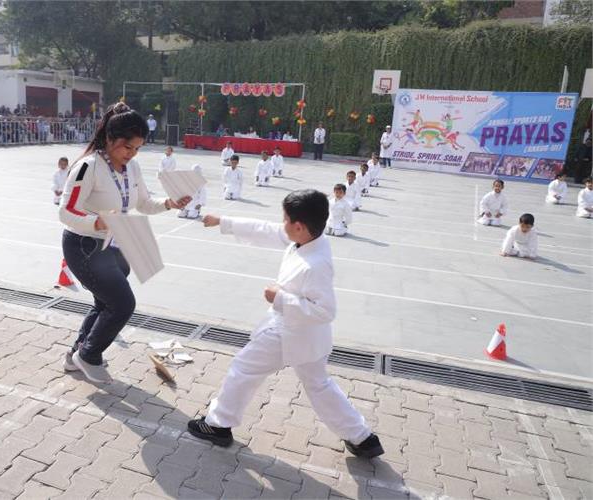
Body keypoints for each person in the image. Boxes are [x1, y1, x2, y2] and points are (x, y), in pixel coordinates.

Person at [187, 189, 384, 458]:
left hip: (288, 333)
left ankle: (218, 424)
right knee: (319, 386)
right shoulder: (310, 240)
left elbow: (325, 311)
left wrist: (279, 298)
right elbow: (266, 230)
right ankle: (363, 439)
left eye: (285, 220)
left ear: (299, 226)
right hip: (308, 338)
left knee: (243, 369)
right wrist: (224, 222)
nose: (282, 224)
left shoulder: (315, 264)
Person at [58, 103, 190, 380]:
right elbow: (66, 211)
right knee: (122, 304)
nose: (131, 154)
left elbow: (143, 203)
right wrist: (97, 221)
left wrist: (169, 202)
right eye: (127, 147)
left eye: (137, 149)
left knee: (104, 303)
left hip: (115, 244)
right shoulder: (88, 166)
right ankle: (88, 355)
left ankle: (75, 355)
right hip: (84, 245)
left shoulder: (133, 168)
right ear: (110, 139)